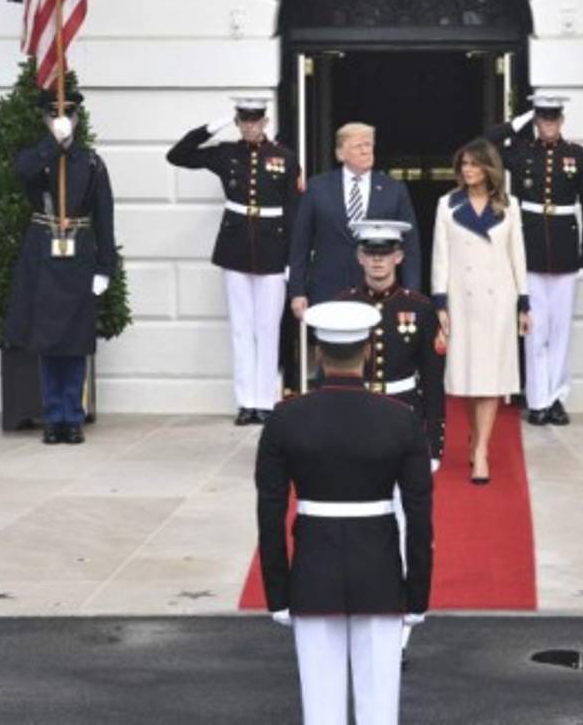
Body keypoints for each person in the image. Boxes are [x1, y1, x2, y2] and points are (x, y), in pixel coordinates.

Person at [256, 300, 433, 725]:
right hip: (380, 575)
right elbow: (420, 515)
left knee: (321, 711)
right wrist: (417, 594)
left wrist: (277, 592)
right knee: (379, 713)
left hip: (313, 574)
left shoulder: (285, 420)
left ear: (318, 353)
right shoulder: (401, 420)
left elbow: (270, 513)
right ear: (369, 352)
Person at [338, 218, 445, 663]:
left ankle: (398, 623)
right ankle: (355, 609)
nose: (378, 260)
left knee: (404, 525)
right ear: (360, 256)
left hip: (402, 424)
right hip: (357, 424)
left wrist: (434, 443)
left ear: (400, 257)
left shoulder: (419, 309)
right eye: (370, 252)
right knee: (355, 522)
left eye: (386, 253)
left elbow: (434, 383)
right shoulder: (341, 306)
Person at [166, 97, 301, 426]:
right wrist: (214, 126)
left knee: (267, 329)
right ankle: (246, 402)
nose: (251, 127)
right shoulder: (226, 153)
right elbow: (177, 155)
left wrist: (292, 262)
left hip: (272, 250)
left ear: (265, 122)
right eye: (244, 121)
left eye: (256, 121)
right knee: (241, 329)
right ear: (238, 122)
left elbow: (294, 212)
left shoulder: (284, 157)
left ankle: (267, 400)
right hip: (235, 248)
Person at [4, 86, 116, 446]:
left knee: (76, 341)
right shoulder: (38, 156)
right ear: (46, 119)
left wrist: (105, 268)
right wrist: (54, 143)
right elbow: (23, 171)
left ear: (78, 119)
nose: (62, 121)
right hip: (44, 251)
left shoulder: (92, 163)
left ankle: (73, 414)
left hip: (79, 252)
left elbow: (105, 220)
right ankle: (54, 416)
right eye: (55, 116)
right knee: (49, 341)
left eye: (68, 116)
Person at [484, 94, 583, 427]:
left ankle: (557, 398)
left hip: (565, 252)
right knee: (535, 330)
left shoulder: (578, 156)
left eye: (553, 119)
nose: (548, 125)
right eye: (542, 119)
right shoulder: (521, 153)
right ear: (536, 122)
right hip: (530, 251)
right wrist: (517, 121)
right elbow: (484, 144)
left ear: (561, 121)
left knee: (561, 330)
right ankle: (537, 400)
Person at [431, 138, 530, 485]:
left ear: (489, 168)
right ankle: (475, 437)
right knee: (470, 379)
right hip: (462, 299)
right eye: (464, 165)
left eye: (474, 164)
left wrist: (523, 302)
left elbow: (517, 255)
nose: (468, 170)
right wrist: (440, 302)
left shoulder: (510, 206)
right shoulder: (447, 205)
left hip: (498, 301)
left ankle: (482, 450)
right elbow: (440, 257)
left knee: (490, 379)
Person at [287, 122, 421, 318]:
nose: (366, 151)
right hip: (327, 290)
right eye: (359, 146)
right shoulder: (318, 188)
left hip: (377, 293)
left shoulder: (394, 189)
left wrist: (411, 292)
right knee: (330, 348)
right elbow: (300, 243)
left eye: (369, 145)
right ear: (341, 153)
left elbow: (410, 245)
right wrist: (297, 292)